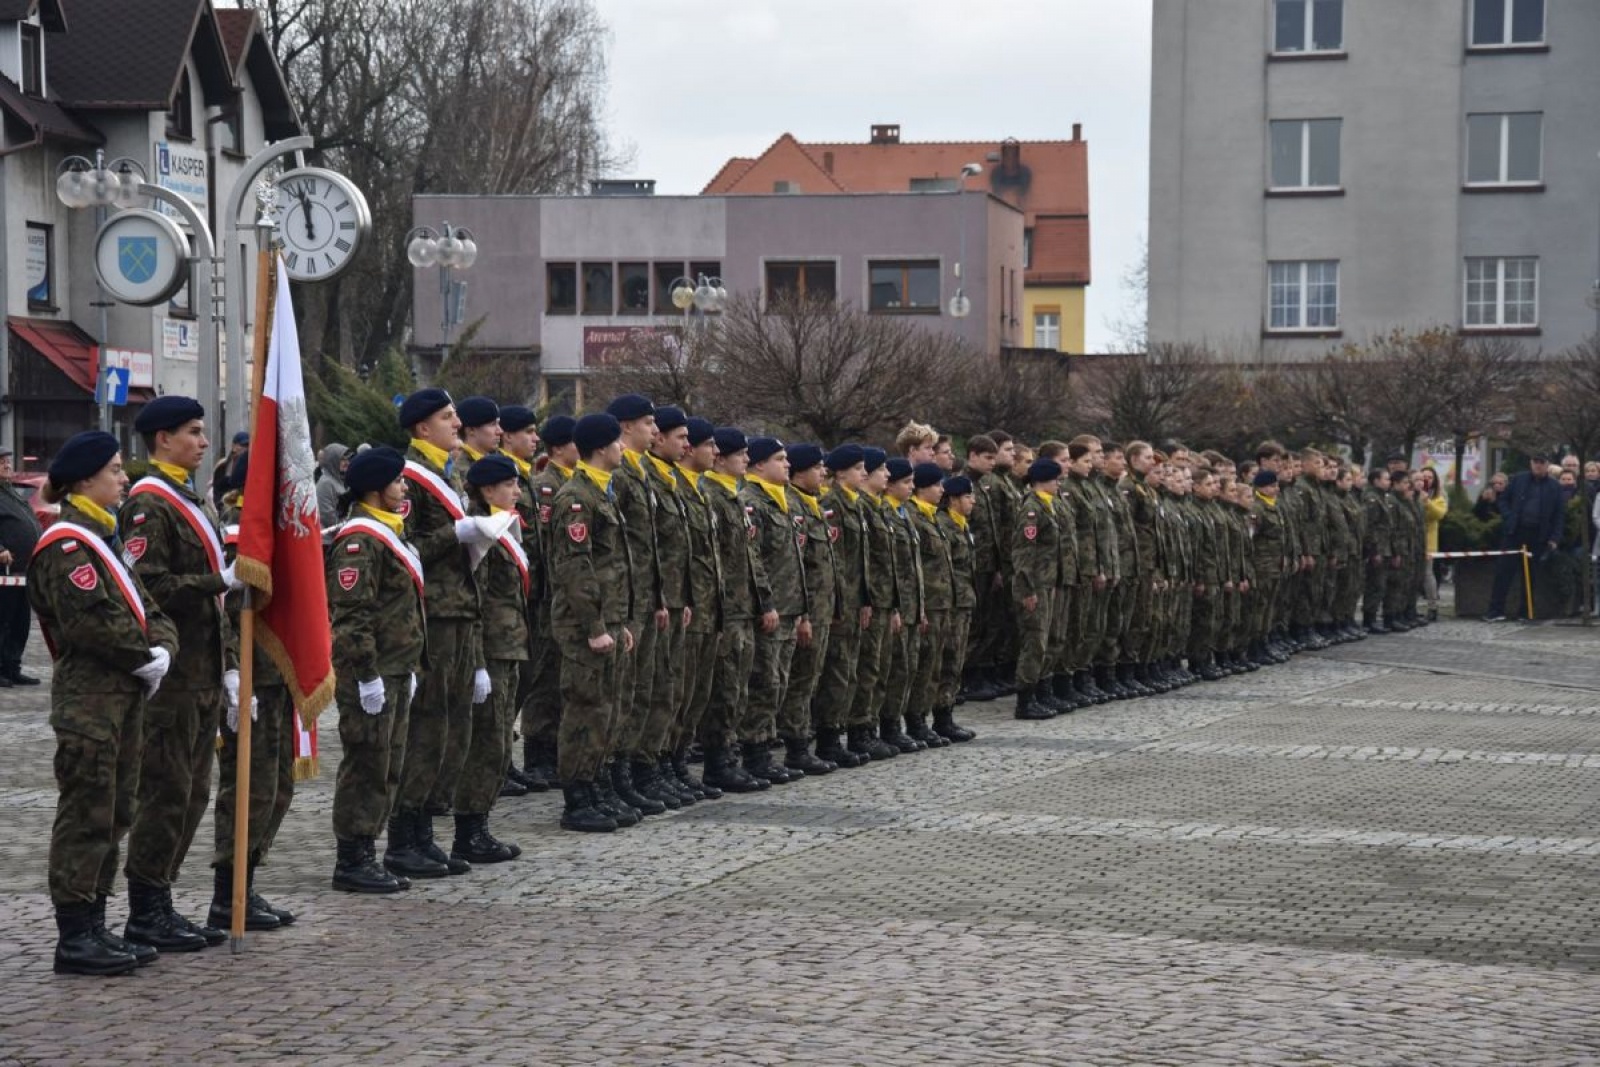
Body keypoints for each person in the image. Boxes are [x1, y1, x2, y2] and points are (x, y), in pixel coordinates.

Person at [31, 431, 177, 975]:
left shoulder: (106, 538)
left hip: (124, 696)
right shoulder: (69, 545)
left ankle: (96, 921)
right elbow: (92, 622)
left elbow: (150, 606)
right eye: (115, 470)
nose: (124, 478)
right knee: (86, 813)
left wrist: (161, 647)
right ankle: (74, 933)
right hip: (90, 701)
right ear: (86, 479)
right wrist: (143, 654)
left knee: (117, 811)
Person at [120, 396, 245, 953]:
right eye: (192, 432)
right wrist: (220, 581)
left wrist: (229, 666)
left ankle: (163, 899)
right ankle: (145, 908)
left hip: (202, 670)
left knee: (193, 793)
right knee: (166, 793)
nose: (203, 441)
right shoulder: (150, 503)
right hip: (172, 676)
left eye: (202, 431)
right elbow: (150, 589)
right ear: (162, 439)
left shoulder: (194, 498)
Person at [390, 389, 492, 879]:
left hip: (460, 614)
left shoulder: (449, 475)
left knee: (451, 727)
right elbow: (403, 549)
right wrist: (456, 534)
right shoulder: (410, 478)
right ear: (421, 429)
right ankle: (403, 835)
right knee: (427, 727)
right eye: (447, 417)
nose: (457, 423)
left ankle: (426, 830)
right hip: (433, 616)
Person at [327, 446, 426, 893]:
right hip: (372, 672)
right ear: (374, 488)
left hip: (396, 667)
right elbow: (353, 615)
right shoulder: (360, 539)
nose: (404, 487)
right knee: (366, 764)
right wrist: (366, 674)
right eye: (397, 481)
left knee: (388, 764)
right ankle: (352, 858)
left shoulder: (392, 532)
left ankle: (369, 850)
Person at [210, 454, 298, 932]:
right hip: (249, 680)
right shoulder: (233, 537)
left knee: (276, 788)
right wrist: (232, 671)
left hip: (277, 676)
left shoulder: (283, 538)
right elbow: (223, 608)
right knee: (246, 788)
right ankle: (228, 894)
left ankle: (247, 882)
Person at [548, 413, 637, 832]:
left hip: (607, 619)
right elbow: (576, 569)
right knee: (584, 709)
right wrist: (596, 627)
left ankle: (597, 785)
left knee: (606, 709)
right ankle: (577, 797)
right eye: (617, 442)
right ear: (602, 448)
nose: (622, 449)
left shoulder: (602, 493)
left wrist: (618, 622)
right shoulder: (576, 498)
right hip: (584, 625)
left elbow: (613, 567)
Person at [450, 453, 527, 864]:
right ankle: (469, 829)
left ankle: (480, 824)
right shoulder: (481, 532)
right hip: (491, 650)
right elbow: (475, 600)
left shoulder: (503, 527)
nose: (517, 491)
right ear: (487, 490)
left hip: (510, 646)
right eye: (510, 485)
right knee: (487, 742)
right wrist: (477, 660)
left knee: (499, 743)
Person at [699, 428, 777, 792]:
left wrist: (764, 602)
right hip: (725, 609)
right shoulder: (711, 496)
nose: (746, 460)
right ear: (720, 458)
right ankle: (718, 761)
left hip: (744, 608)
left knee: (740, 688)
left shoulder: (732, 497)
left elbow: (751, 557)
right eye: (739, 454)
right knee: (725, 690)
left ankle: (731, 758)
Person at [739, 437, 810, 780]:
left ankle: (766, 750)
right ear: (759, 465)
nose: (787, 465)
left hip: (789, 608)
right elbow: (754, 560)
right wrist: (766, 603)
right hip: (770, 611)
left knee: (779, 682)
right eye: (779, 459)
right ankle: (754, 752)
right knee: (764, 683)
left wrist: (801, 610)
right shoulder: (752, 503)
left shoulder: (783, 502)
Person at [1011, 457, 1064, 720]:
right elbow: (1023, 553)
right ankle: (1025, 700)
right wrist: (1027, 589)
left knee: (1044, 641)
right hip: (1034, 585)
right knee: (1034, 642)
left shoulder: (1047, 506)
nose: (1058, 484)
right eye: (1056, 480)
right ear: (1043, 481)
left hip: (1046, 582)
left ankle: (1039, 692)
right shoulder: (1032, 509)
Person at [1485, 454, 1565, 621]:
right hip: (1515, 532)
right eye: (1535, 462)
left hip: (1538, 536)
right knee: (1503, 572)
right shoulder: (1519, 480)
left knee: (1530, 575)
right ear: (1530, 463)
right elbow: (1503, 500)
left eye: (1541, 462)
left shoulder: (1554, 487)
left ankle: (1525, 612)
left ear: (1547, 465)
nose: (1538, 466)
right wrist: (1509, 516)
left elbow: (1559, 515)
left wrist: (1554, 538)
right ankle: (1495, 610)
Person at [934, 475, 979, 741]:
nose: (972, 501)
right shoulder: (944, 526)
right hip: (949, 603)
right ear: (953, 499)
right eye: (967, 496)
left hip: (963, 601)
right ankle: (940, 716)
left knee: (956, 660)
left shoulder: (961, 526)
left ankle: (946, 715)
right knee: (947, 660)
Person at [0, 444, 42, 686]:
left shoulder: (10, 491)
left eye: (8, 461)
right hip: (4, 571)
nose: (7, 465)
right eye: (2, 462)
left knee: (20, 621)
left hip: (22, 571)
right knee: (3, 620)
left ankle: (12, 666)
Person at [1416, 468, 1446, 621]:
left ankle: (1432, 606)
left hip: (1428, 540)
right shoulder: (1411, 493)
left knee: (1427, 574)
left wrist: (1427, 501)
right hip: (1412, 539)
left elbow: (1438, 514)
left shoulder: (1438, 496)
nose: (1425, 480)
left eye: (1429, 477)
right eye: (1423, 477)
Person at [315, 443, 350, 530]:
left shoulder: (339, 480)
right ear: (333, 460)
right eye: (342, 459)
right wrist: (346, 528)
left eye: (347, 459)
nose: (347, 463)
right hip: (328, 539)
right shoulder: (325, 483)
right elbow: (327, 516)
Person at [210, 430, 249, 508]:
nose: (246, 448)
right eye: (243, 445)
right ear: (234, 446)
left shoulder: (248, 463)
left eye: (247, 446)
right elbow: (216, 487)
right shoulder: (223, 464)